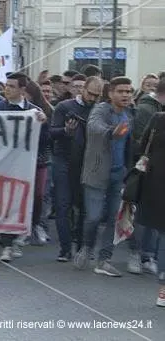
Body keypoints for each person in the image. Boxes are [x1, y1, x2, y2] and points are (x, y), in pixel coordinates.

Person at [74, 76, 134, 277]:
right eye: (121, 91)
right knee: (93, 217)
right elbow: (94, 126)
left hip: (118, 175)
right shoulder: (100, 110)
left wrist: (129, 170)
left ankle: (104, 260)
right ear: (110, 93)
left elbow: (129, 145)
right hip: (97, 173)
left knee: (111, 219)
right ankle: (87, 247)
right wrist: (111, 132)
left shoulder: (128, 115)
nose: (125, 95)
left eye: (128, 91)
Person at [0, 72, 49, 262]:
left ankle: (20, 235)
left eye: (12, 86)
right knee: (7, 202)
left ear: (23, 90)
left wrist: (43, 123)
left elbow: (45, 140)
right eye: (6, 85)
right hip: (4, 166)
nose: (7, 89)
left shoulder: (35, 111)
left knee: (31, 199)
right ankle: (7, 244)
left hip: (28, 165)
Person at [50, 76, 103, 261]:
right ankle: (65, 249)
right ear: (83, 89)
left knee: (83, 208)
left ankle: (82, 247)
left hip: (86, 163)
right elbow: (52, 132)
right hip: (63, 160)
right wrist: (66, 131)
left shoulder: (99, 110)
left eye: (97, 95)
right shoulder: (64, 107)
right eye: (91, 94)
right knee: (63, 205)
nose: (93, 98)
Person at [129, 113, 165, 306]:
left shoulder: (157, 119)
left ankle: (163, 290)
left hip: (155, 184)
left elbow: (141, 148)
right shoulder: (158, 118)